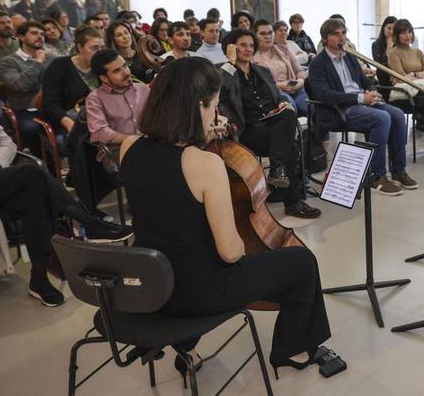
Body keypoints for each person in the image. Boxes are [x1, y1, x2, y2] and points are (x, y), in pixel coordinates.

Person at [118, 57, 331, 374]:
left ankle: (185, 344)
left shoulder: (129, 147)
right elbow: (230, 253)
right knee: (301, 260)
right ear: (197, 108)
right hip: (197, 292)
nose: (215, 115)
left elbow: (166, 200)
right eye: (213, 107)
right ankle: (292, 348)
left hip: (152, 285)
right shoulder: (204, 164)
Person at [0, 102, 132, 306]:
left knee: (34, 198)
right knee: (32, 172)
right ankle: (89, 223)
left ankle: (39, 279)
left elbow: (7, 142)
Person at [217, 29, 321, 218]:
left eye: (250, 45)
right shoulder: (223, 70)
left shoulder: (262, 71)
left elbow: (277, 94)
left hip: (273, 124)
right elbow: (218, 93)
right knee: (290, 148)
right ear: (231, 47)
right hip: (247, 129)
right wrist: (230, 62)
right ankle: (292, 200)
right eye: (242, 45)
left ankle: (277, 170)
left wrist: (282, 102)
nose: (248, 49)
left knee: (289, 114)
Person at [307, 18, 416, 195]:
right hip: (341, 108)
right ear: (325, 38)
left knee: (396, 114)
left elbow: (366, 81)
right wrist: (360, 98)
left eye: (343, 33)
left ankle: (398, 170)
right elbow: (324, 95)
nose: (341, 37)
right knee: (382, 118)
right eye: (335, 34)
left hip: (363, 101)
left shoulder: (350, 57)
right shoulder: (318, 63)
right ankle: (376, 176)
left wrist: (373, 93)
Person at [0, 21, 55, 155]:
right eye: (34, 33)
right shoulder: (8, 62)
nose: (40, 36)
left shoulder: (51, 58)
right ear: (22, 37)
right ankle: (45, 166)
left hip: (51, 107)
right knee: (34, 128)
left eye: (42, 34)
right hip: (26, 110)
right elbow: (20, 86)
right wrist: (38, 62)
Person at [386, 18, 424, 147]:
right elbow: (402, 78)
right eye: (403, 33)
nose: (407, 36)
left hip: (422, 92)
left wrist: (414, 74)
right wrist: (419, 77)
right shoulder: (393, 53)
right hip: (405, 96)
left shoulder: (417, 52)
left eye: (409, 32)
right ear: (397, 35)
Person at [41, 25, 103, 133]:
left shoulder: (102, 66)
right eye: (94, 48)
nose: (100, 52)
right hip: (66, 121)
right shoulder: (60, 66)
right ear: (79, 47)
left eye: (102, 48)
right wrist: (68, 123)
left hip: (98, 119)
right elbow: (50, 104)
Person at [86, 49, 150, 145]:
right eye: (117, 71)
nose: (126, 72)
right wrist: (135, 140)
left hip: (150, 143)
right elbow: (100, 133)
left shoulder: (143, 89)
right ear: (104, 78)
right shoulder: (95, 99)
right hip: (119, 149)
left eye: (124, 66)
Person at [252, 20, 309, 116]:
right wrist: (282, 85)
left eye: (270, 33)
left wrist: (300, 82)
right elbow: (258, 84)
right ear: (254, 36)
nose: (268, 37)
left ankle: (314, 129)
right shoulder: (252, 58)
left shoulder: (283, 49)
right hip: (274, 92)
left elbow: (299, 71)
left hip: (296, 88)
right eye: (263, 33)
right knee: (289, 108)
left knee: (314, 103)